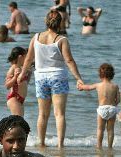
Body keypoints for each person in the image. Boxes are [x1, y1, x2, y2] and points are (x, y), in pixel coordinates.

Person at [19, 10, 85, 148]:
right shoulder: (62, 40)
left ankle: (41, 143)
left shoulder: (36, 38)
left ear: (46, 21)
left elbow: (28, 59)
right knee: (59, 114)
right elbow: (70, 61)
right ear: (60, 23)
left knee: (42, 114)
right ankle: (60, 144)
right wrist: (78, 78)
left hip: (41, 78)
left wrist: (22, 74)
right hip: (58, 77)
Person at [78, 63, 120, 149]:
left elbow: (88, 87)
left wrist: (81, 86)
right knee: (110, 130)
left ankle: (99, 145)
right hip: (112, 109)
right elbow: (118, 100)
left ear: (100, 75)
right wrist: (114, 105)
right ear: (112, 75)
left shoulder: (98, 85)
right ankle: (109, 147)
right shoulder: (115, 86)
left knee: (100, 129)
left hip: (102, 109)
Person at [5, 47, 30, 116]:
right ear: (20, 57)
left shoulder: (21, 69)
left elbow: (25, 83)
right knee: (18, 122)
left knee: (19, 122)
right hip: (14, 98)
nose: (27, 60)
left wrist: (29, 73)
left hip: (20, 99)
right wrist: (15, 77)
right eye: (26, 57)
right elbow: (7, 85)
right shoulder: (13, 69)